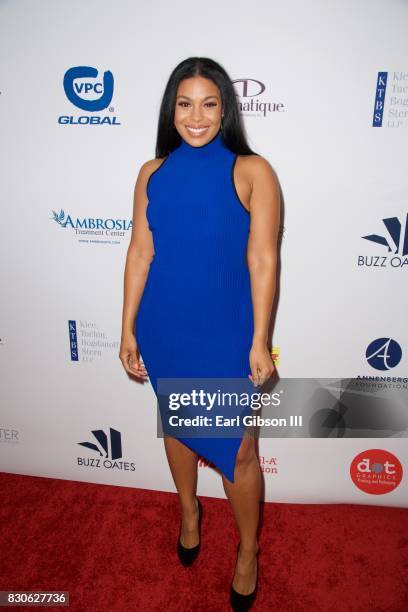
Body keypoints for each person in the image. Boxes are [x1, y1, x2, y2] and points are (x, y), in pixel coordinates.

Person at [119, 56, 280, 610]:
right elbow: (141, 252)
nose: (196, 116)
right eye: (184, 103)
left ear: (225, 109)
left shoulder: (253, 170)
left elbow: (262, 259)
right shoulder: (151, 172)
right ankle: (189, 510)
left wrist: (259, 340)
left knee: (240, 452)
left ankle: (248, 551)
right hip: (165, 324)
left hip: (227, 330)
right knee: (180, 425)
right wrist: (127, 329)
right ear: (172, 109)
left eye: (209, 103)